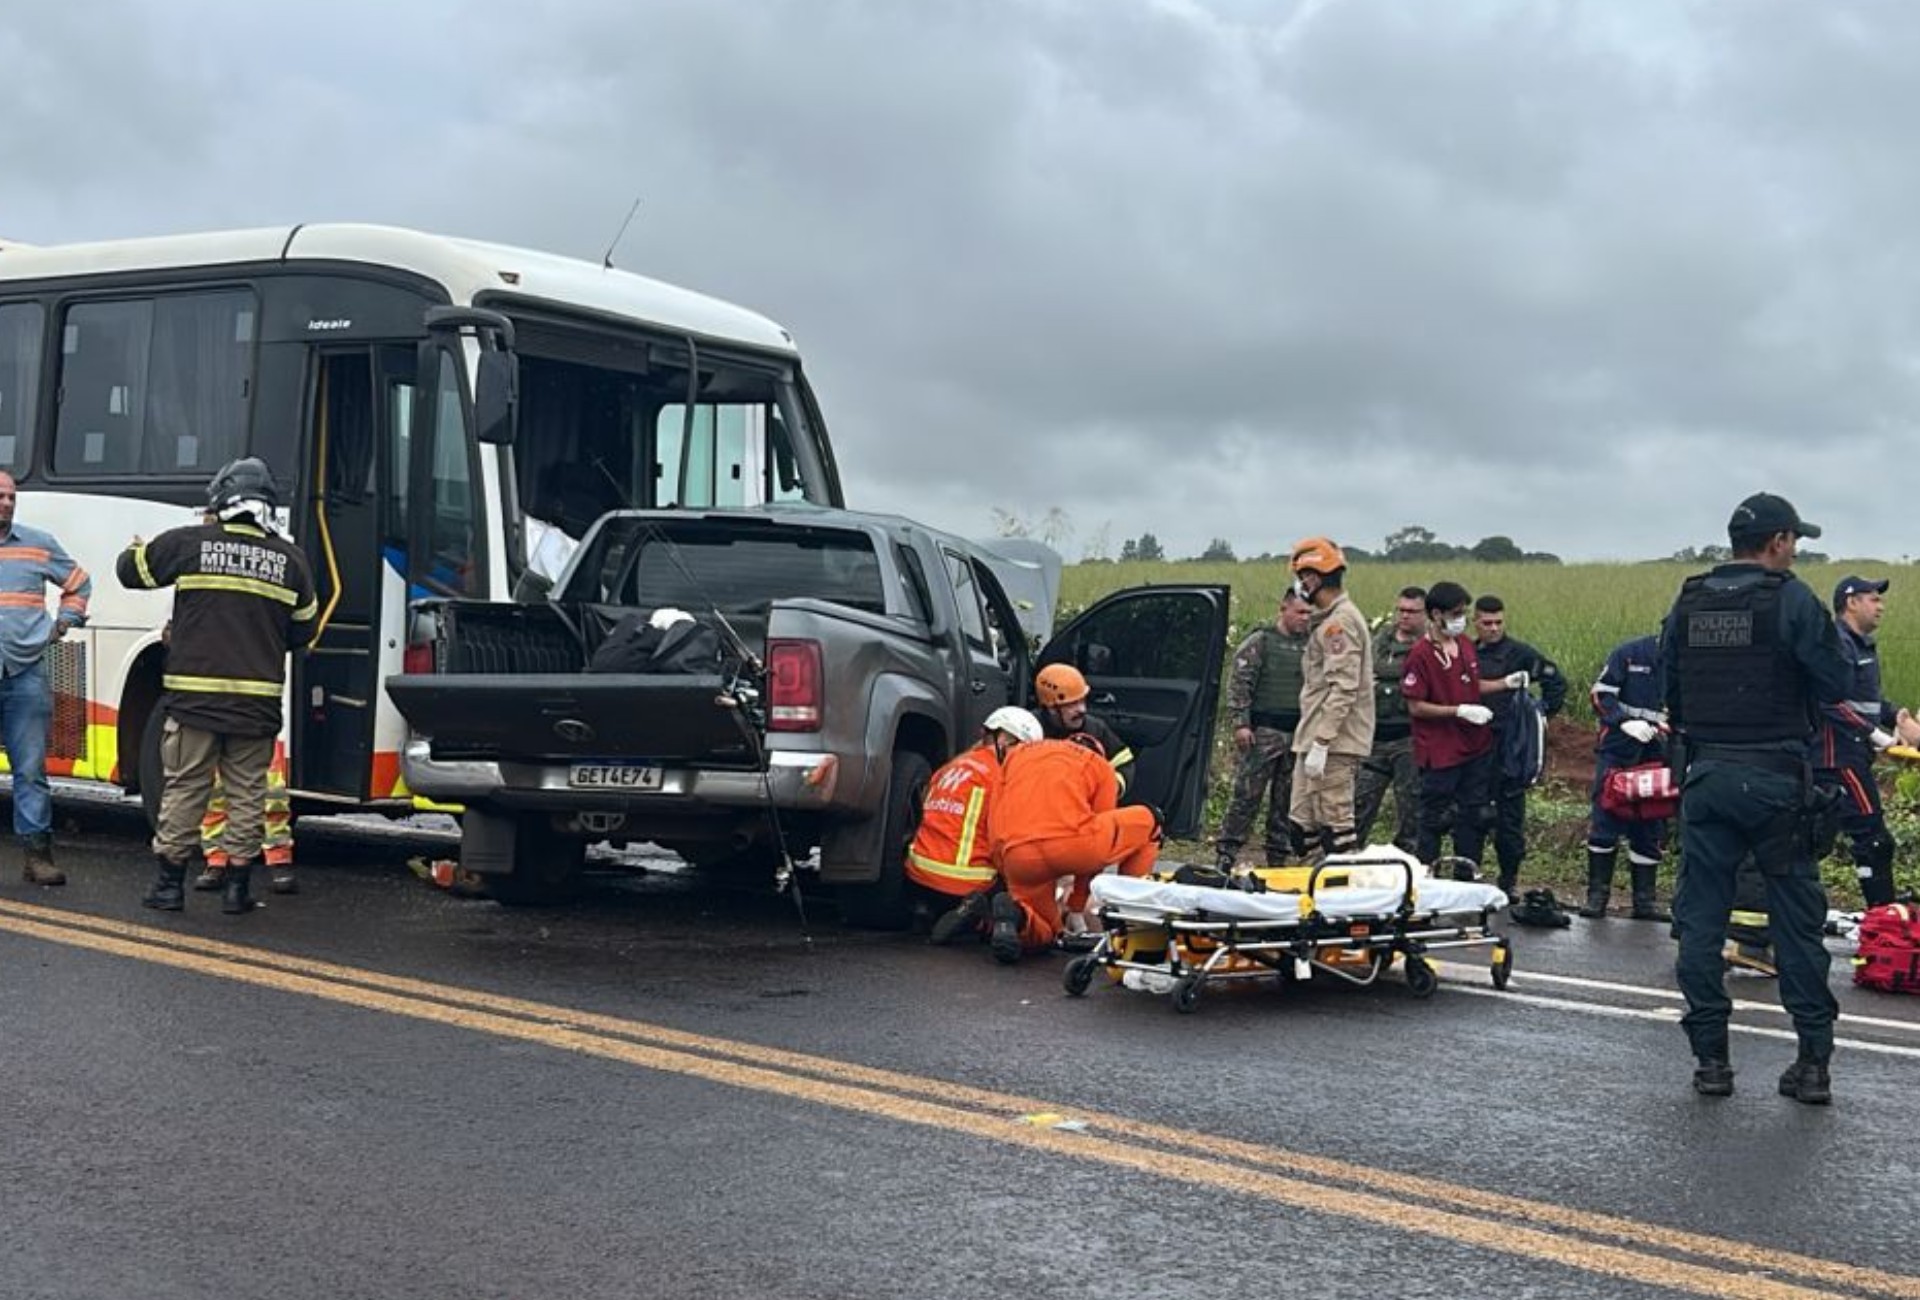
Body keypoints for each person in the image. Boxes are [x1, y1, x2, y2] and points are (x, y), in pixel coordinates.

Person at [1661, 492, 1850, 1104]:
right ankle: (1812, 1066)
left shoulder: (1687, 600)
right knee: (1795, 924)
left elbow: (1672, 688)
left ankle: (1711, 1063)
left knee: (1700, 921)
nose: (1795, 553)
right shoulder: (1791, 597)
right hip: (1775, 782)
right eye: (1794, 541)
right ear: (1777, 542)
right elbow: (1835, 680)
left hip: (1708, 776)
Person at [118, 458, 318, 915]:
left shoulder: (190, 544)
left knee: (186, 787)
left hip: (194, 705)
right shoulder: (291, 560)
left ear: (219, 501)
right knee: (248, 793)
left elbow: (130, 571)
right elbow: (304, 630)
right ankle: (237, 890)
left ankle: (169, 887)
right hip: (256, 708)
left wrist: (135, 548)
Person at [986, 735, 1160, 964]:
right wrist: (1077, 906)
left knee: (1048, 931)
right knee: (1151, 821)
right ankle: (1129, 922)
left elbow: (996, 814)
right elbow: (1097, 849)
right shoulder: (1101, 767)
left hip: (1019, 853)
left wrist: (1004, 865)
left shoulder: (1018, 755)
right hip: (1072, 845)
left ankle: (1018, 917)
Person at [0, 470, 91, 885]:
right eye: (0, 496)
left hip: (25, 673)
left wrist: (64, 622)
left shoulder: (37, 545)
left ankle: (38, 856)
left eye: (11, 497)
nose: (6, 503)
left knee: (31, 768)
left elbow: (79, 583)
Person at [1813, 576, 1920, 908]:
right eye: (1873, 599)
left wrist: (1899, 718)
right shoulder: (1837, 644)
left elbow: (1867, 702)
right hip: (1836, 759)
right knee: (1872, 839)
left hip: (1852, 756)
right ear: (1851, 603)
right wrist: (1878, 737)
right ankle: (1883, 916)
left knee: (1820, 839)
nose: (1881, 606)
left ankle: (1882, 910)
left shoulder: (1861, 646)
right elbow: (1827, 700)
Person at [915, 706, 1044, 943]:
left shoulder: (950, 767)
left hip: (918, 877)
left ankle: (932, 910)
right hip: (966, 883)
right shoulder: (1001, 778)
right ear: (1004, 739)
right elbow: (1004, 839)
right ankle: (979, 918)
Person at [1472, 595, 1567, 899]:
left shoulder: (1519, 653)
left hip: (1509, 746)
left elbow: (1555, 680)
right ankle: (1466, 878)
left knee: (1509, 820)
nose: (1493, 628)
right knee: (1471, 816)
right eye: (1487, 623)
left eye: (1498, 622)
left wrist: (1538, 715)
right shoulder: (1467, 653)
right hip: (1472, 744)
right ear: (1476, 622)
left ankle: (1509, 879)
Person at [1285, 537, 1375, 859]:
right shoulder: (1325, 621)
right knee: (1301, 827)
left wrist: (1323, 742)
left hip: (1334, 743)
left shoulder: (1340, 624)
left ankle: (1346, 897)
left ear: (1313, 577)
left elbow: (1344, 687)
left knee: (1336, 829)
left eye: (1301, 578)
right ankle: (1312, 885)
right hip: (1310, 739)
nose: (1299, 585)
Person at [1401, 582, 1496, 873]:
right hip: (1440, 750)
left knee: (1474, 816)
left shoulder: (1465, 645)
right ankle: (1427, 878)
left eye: (1464, 613)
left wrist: (1506, 683)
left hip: (1474, 747)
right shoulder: (1420, 655)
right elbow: (1415, 706)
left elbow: (1469, 683)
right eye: (1456, 613)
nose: (1461, 619)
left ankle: (1466, 878)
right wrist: (1458, 711)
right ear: (1436, 614)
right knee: (1435, 818)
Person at [1214, 590, 1310, 869]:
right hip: (1263, 732)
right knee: (1246, 796)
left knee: (1286, 801)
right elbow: (1240, 684)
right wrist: (1241, 724)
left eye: (1308, 613)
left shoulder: (1312, 646)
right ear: (1284, 609)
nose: (1305, 618)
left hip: (1298, 734)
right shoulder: (1261, 642)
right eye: (1300, 612)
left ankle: (1278, 856)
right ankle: (1227, 853)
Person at [1580, 634, 1670, 919]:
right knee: (1605, 819)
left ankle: (1644, 902)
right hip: (1618, 749)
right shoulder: (1630, 654)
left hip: (1659, 753)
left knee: (1651, 822)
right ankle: (1597, 896)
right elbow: (1600, 695)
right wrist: (1624, 722)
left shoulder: (1689, 659)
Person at [1355, 587, 1425, 854]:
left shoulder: (1429, 647)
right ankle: (1346, 859)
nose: (1405, 616)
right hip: (1374, 737)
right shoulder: (1379, 642)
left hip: (1410, 738)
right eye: (1401, 610)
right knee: (1358, 805)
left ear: (1425, 614)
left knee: (1412, 809)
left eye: (1412, 611)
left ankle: (1410, 864)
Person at [196, 749, 296, 894]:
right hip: (221, 730)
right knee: (216, 796)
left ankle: (279, 859)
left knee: (274, 796)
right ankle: (217, 860)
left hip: (258, 732)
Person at [1032, 663, 1136, 796]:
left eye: (1082, 701)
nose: (1082, 710)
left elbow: (1124, 761)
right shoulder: (1029, 729)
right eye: (1073, 704)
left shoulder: (1095, 728)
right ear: (1051, 708)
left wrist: (1113, 787)